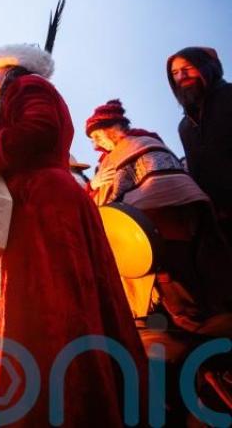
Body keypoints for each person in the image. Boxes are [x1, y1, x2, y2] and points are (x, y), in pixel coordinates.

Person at [0, 44, 147, 425]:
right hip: (38, 203)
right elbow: (20, 138)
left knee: (51, 306)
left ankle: (64, 404)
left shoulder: (29, 86)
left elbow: (39, 133)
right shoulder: (23, 91)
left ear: (9, 70)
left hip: (44, 208)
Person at [85, 99, 232, 322]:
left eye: (97, 136)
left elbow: (165, 183)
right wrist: (94, 186)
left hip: (165, 224)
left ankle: (197, 328)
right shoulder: (108, 160)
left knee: (176, 280)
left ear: (111, 130)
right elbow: (103, 200)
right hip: (138, 232)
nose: (95, 144)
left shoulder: (140, 144)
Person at [167, 47, 232, 242]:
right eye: (175, 73)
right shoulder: (185, 126)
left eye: (188, 67)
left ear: (208, 67)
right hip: (221, 222)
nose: (182, 76)